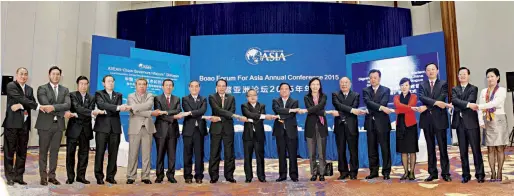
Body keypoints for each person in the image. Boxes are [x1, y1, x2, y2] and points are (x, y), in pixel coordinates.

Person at [2, 67, 41, 186]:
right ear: (16, 75)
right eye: (21, 74)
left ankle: (19, 176)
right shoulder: (11, 86)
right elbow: (23, 99)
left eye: (25, 74)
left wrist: (20, 105)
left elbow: (30, 101)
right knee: (9, 152)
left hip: (24, 125)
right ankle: (9, 177)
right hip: (12, 125)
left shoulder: (29, 89)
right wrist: (29, 104)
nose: (23, 76)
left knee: (22, 152)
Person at [35, 66, 71, 186]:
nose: (56, 76)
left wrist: (54, 107)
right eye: (53, 74)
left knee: (55, 152)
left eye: (58, 74)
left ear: (60, 76)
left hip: (59, 125)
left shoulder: (65, 90)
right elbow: (45, 105)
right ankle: (43, 177)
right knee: (43, 151)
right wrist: (61, 110)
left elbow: (67, 105)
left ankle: (52, 176)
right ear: (49, 75)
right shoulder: (42, 88)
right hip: (45, 125)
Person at [470, 68, 508, 182]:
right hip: (487, 121)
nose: (490, 79)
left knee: (500, 148)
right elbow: (481, 107)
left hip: (499, 120)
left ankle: (500, 171)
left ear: (498, 77)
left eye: (492, 76)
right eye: (488, 77)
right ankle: (492, 172)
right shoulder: (483, 91)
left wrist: (479, 106)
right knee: (490, 148)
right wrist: (481, 121)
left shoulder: (501, 90)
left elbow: (495, 103)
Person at [418, 63, 452, 182]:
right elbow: (422, 97)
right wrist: (435, 103)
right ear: (426, 72)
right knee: (430, 148)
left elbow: (442, 98)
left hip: (440, 120)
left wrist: (427, 107)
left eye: (433, 69)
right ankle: (432, 173)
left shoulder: (443, 83)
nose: (431, 71)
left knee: (443, 148)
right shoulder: (422, 85)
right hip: (427, 121)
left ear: (437, 70)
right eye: (428, 70)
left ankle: (446, 173)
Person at [451, 67, 485, 183]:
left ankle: (480, 174)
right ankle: (466, 175)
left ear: (468, 75)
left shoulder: (473, 88)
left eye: (464, 74)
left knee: (476, 150)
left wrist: (459, 104)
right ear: (458, 76)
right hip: (460, 124)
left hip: (471, 124)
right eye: (460, 74)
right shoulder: (454, 89)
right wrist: (467, 105)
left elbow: (471, 100)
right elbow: (454, 101)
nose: (462, 76)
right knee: (463, 151)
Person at [208, 79, 245, 183]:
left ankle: (229, 176)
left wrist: (220, 118)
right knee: (214, 153)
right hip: (216, 129)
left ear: (226, 87)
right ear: (216, 87)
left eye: (223, 86)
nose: (221, 87)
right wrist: (232, 115)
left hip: (228, 129)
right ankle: (214, 176)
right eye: (219, 86)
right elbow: (217, 110)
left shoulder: (231, 97)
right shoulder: (212, 97)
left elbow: (231, 111)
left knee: (229, 153)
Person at [94, 75, 129, 185]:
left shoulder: (118, 95)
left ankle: (110, 176)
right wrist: (117, 107)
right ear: (103, 83)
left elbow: (111, 110)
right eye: (108, 81)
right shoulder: (99, 93)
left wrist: (107, 109)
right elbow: (101, 104)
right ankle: (99, 176)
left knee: (113, 154)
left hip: (115, 128)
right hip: (102, 128)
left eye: (112, 81)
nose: (110, 83)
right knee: (99, 153)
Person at [65, 76, 99, 185]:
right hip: (73, 129)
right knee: (70, 154)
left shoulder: (92, 97)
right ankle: (70, 177)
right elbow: (77, 107)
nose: (83, 86)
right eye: (81, 84)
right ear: (77, 84)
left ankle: (81, 176)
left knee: (84, 154)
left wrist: (77, 114)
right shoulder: (72, 95)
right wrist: (88, 113)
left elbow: (84, 110)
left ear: (88, 85)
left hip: (86, 129)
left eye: (85, 84)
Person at [126, 78, 160, 185]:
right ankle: (131, 176)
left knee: (146, 154)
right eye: (139, 84)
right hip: (135, 128)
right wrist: (150, 113)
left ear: (146, 86)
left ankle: (145, 176)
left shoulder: (150, 96)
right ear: (135, 85)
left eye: (144, 84)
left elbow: (148, 106)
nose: (142, 86)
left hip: (147, 128)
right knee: (133, 154)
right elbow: (133, 110)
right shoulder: (131, 96)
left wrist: (136, 108)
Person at [331, 77, 366, 180]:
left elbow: (354, 106)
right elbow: (338, 105)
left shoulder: (356, 95)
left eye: (346, 82)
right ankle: (343, 172)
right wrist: (351, 110)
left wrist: (340, 113)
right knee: (340, 150)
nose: (344, 84)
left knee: (353, 150)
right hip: (339, 127)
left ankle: (353, 172)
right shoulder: (335, 94)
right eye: (342, 82)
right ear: (339, 84)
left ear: (350, 84)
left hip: (351, 126)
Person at [362, 69, 392, 180]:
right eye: (371, 78)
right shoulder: (365, 90)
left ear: (379, 78)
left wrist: (375, 108)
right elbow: (368, 102)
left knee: (385, 149)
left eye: (375, 77)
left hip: (382, 123)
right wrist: (380, 108)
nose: (373, 80)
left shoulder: (386, 90)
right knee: (372, 149)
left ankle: (386, 172)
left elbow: (383, 102)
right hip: (370, 124)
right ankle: (373, 171)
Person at [241, 89, 275, 183]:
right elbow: (248, 114)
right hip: (248, 136)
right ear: (247, 97)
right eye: (250, 95)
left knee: (260, 157)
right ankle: (248, 177)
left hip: (259, 135)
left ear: (257, 96)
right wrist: (261, 116)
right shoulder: (244, 106)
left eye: (254, 95)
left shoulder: (262, 105)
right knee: (247, 158)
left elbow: (257, 118)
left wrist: (251, 119)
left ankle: (261, 176)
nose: (252, 97)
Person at [153, 79, 182, 184]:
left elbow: (178, 110)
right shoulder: (157, 98)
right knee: (160, 154)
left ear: (173, 87)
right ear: (162, 86)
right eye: (166, 85)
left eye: (170, 85)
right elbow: (159, 114)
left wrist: (166, 112)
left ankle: (171, 175)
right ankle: (159, 176)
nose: (168, 87)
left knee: (172, 155)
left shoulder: (177, 99)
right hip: (160, 131)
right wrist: (173, 116)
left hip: (173, 131)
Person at [182, 80, 209, 184]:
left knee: (199, 155)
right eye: (192, 86)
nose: (194, 88)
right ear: (189, 88)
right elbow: (187, 109)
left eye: (196, 86)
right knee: (187, 154)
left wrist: (190, 112)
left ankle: (199, 176)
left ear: (199, 88)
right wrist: (192, 113)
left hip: (199, 130)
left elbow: (203, 111)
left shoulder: (203, 99)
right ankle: (187, 176)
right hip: (188, 130)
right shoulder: (184, 99)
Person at [302, 78, 329, 181]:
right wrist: (322, 113)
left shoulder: (324, 96)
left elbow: (319, 106)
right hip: (310, 126)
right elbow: (315, 110)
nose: (315, 86)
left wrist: (308, 110)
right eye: (313, 84)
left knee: (322, 152)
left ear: (320, 86)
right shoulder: (306, 97)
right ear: (310, 86)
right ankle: (313, 173)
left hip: (321, 126)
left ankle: (322, 173)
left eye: (317, 84)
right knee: (311, 153)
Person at [272, 83, 300, 182]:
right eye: (282, 89)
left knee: (293, 154)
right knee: (281, 154)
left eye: (286, 89)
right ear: (279, 90)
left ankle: (294, 175)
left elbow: (292, 115)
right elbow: (277, 110)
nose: (284, 90)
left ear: (289, 90)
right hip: (279, 131)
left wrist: (280, 116)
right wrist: (290, 110)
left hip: (291, 131)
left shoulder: (294, 101)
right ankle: (282, 175)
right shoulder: (275, 101)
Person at [393, 78, 419, 181]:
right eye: (402, 85)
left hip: (411, 125)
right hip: (400, 125)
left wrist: (399, 110)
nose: (404, 87)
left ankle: (412, 172)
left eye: (406, 85)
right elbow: (398, 105)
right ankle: (405, 172)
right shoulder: (396, 97)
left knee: (412, 150)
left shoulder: (414, 96)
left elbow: (410, 106)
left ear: (410, 86)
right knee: (403, 150)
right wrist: (406, 108)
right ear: (400, 86)